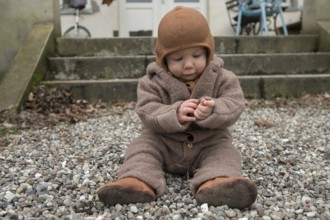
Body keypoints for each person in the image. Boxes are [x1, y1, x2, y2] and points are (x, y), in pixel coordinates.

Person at [97, 6, 257, 209]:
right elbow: (147, 109)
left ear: (209, 52)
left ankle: (217, 183)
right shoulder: (151, 81)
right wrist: (174, 113)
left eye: (197, 55)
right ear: (163, 59)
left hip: (209, 142)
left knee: (226, 153)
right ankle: (138, 181)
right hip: (164, 141)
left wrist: (213, 109)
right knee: (141, 149)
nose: (188, 65)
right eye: (178, 59)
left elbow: (235, 103)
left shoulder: (223, 78)